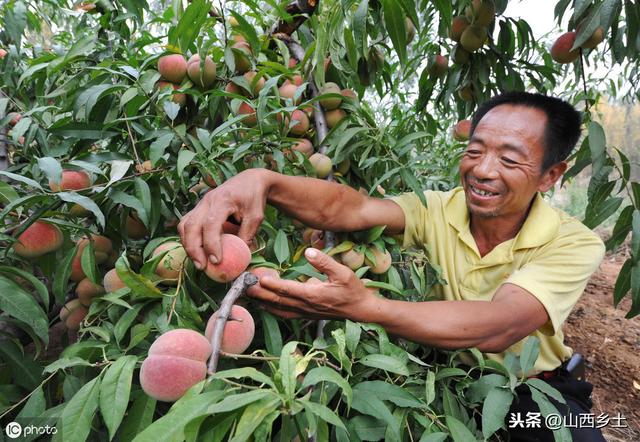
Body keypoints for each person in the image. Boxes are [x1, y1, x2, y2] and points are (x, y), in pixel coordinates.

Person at [178, 92, 606, 441]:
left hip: (534, 392)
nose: (483, 170)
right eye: (474, 151)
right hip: (443, 377)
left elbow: (500, 324)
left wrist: (360, 306)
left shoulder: (574, 243)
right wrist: (262, 181)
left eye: (510, 161)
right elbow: (351, 208)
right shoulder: (438, 207)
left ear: (551, 175)